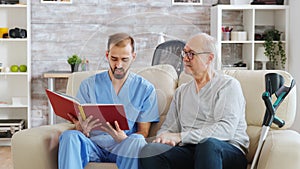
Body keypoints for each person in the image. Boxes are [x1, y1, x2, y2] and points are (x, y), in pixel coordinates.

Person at [139, 33, 249, 169]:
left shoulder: (228, 86)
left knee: (207, 145)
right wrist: (163, 137)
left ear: (209, 58)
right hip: (191, 150)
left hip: (226, 150)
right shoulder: (182, 92)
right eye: (184, 53)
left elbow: (226, 130)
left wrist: (181, 137)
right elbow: (168, 128)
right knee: (150, 151)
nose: (185, 58)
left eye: (191, 54)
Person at [58, 32, 159, 169]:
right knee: (70, 136)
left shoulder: (145, 89)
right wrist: (81, 129)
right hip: (93, 145)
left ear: (133, 57)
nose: (118, 65)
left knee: (138, 140)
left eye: (124, 59)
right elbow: (79, 118)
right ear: (107, 56)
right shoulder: (88, 85)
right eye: (114, 59)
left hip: (123, 147)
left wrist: (123, 139)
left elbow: (144, 132)